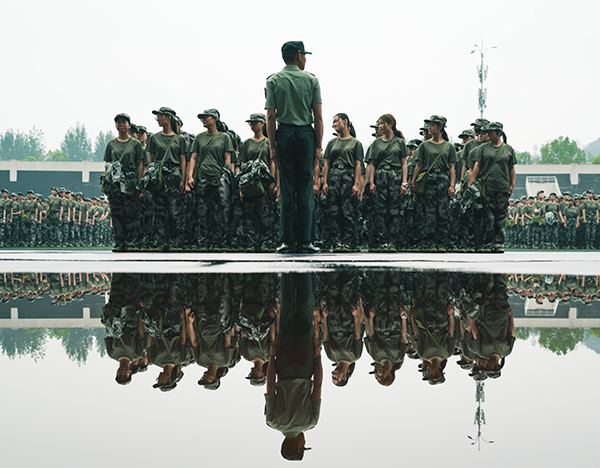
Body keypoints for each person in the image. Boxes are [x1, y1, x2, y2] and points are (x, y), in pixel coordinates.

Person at [266, 41, 323, 254]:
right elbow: (318, 116)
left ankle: (287, 241)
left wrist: (272, 145)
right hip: (306, 135)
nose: (305, 59)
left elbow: (270, 116)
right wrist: (318, 145)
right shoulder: (311, 80)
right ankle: (306, 240)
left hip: (285, 134)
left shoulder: (273, 81)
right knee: (305, 188)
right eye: (304, 55)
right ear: (299, 56)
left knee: (287, 187)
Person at [186, 108, 234, 250]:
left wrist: (227, 177)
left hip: (218, 178)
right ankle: (204, 241)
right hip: (202, 178)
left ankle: (218, 241)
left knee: (219, 210)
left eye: (206, 117)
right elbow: (193, 158)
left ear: (215, 119)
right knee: (202, 211)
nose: (204, 120)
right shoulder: (199, 138)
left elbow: (228, 159)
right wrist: (190, 176)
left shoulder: (224, 137)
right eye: (202, 118)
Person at [468, 122, 516, 253]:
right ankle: (487, 243)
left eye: (491, 132)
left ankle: (498, 243)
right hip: (486, 187)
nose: (488, 134)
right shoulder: (483, 148)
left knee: (500, 216)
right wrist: (472, 184)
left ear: (499, 133)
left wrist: (512, 184)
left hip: (502, 187)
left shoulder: (508, 149)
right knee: (487, 217)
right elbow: (477, 166)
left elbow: (511, 168)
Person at [410, 115, 456, 252]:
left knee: (443, 212)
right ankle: (429, 242)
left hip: (443, 180)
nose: (429, 128)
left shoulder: (449, 146)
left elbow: (452, 167)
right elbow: (419, 165)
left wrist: (452, 185)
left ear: (440, 127)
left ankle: (441, 242)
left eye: (432, 125)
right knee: (429, 212)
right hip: (428, 181)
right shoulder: (424, 145)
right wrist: (413, 183)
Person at [365, 114, 408, 251]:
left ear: (391, 124)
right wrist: (371, 182)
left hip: (395, 177)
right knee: (380, 211)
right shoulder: (376, 143)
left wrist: (404, 182)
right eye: (379, 124)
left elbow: (404, 163)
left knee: (394, 211)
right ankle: (382, 242)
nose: (380, 126)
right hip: (380, 177)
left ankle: (392, 242)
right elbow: (372, 164)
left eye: (382, 123)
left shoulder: (399, 142)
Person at [146, 107, 187, 251]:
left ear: (169, 118)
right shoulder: (154, 138)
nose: (158, 119)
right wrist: (148, 179)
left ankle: (175, 241)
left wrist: (183, 180)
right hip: (159, 176)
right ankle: (160, 241)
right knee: (159, 210)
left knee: (174, 211)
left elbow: (183, 160)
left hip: (174, 176)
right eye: (157, 117)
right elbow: (150, 160)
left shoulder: (180, 139)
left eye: (160, 116)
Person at [321, 113, 363, 251]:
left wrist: (357, 183)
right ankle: (336, 242)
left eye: (336, 121)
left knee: (348, 211)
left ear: (345, 121)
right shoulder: (332, 143)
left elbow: (358, 164)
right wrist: (325, 182)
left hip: (348, 177)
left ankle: (347, 242)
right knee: (333, 211)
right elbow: (326, 163)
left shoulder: (356, 143)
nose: (334, 124)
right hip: (333, 177)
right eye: (333, 122)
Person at [103, 113, 144, 252]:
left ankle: (131, 242)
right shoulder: (111, 144)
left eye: (123, 122)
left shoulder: (135, 144)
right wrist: (107, 183)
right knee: (116, 212)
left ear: (129, 125)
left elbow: (140, 164)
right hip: (115, 183)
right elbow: (107, 164)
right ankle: (119, 242)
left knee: (131, 212)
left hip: (130, 180)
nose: (121, 125)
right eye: (118, 122)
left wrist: (139, 184)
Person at [238, 112, 277, 252]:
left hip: (263, 182)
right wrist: (241, 182)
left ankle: (266, 243)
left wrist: (272, 181)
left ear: (263, 123)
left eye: (255, 122)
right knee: (249, 214)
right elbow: (243, 164)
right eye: (251, 123)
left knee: (265, 214)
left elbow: (272, 162)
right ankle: (250, 243)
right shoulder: (247, 143)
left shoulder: (268, 143)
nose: (252, 125)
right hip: (249, 183)